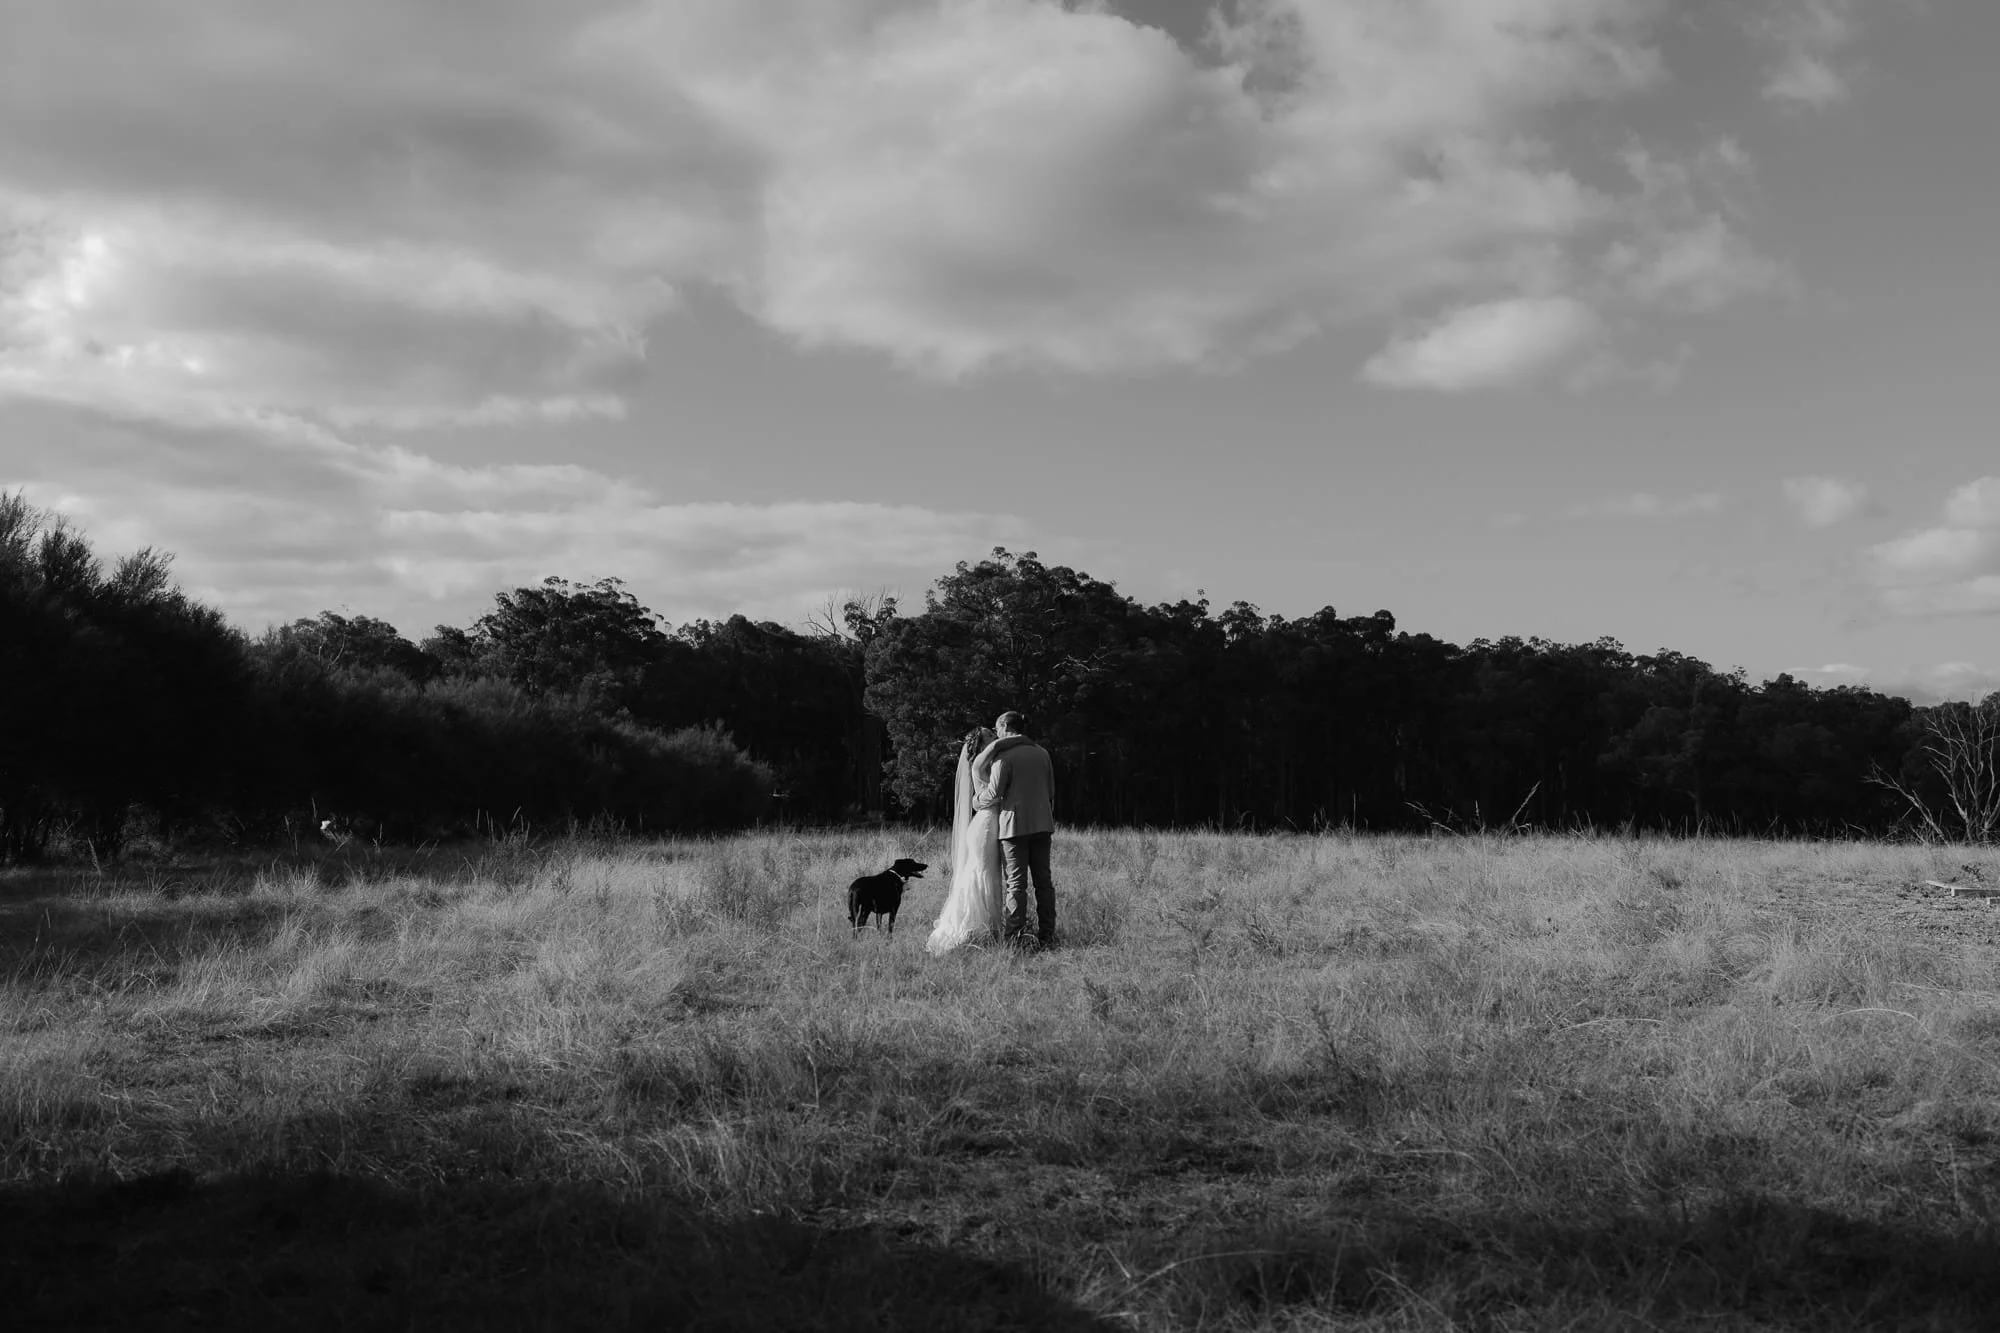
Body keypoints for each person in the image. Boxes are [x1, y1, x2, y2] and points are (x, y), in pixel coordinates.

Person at [925, 726, 1012, 955]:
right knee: (980, 875)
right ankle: (973, 930)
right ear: (982, 744)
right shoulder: (981, 763)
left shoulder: (992, 761)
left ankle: (988, 931)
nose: (995, 737)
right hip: (985, 826)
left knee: (987, 876)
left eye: (995, 733)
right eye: (990, 735)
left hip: (989, 823)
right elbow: (992, 793)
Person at [974, 711, 1057, 949]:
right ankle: (1047, 935)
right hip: (1043, 824)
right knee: (1044, 882)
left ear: (1004, 726)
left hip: (1014, 827)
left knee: (1016, 884)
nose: (996, 732)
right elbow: (1051, 791)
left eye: (996, 728)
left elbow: (994, 794)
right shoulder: (1042, 753)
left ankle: (1014, 937)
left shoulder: (1004, 757)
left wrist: (976, 801)